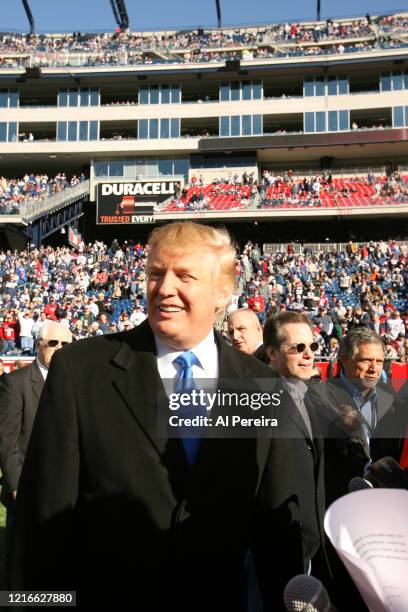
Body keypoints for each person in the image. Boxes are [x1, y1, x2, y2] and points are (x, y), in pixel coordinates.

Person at [9, 222, 303, 612]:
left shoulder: (259, 383)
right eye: (155, 274)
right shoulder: (81, 371)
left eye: (184, 276)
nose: (164, 288)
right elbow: (41, 522)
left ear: (222, 293)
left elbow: (275, 527)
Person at [261, 311, 330, 591]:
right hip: (276, 547)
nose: (308, 354)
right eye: (298, 348)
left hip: (311, 542)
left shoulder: (310, 396)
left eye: (312, 346)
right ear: (272, 353)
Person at [0, 321, 72, 538]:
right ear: (39, 345)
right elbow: (6, 437)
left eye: (65, 344)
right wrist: (15, 485)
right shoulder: (15, 382)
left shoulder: (74, 382)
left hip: (66, 485)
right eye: (53, 342)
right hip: (27, 486)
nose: (59, 348)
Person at [312, 326, 397, 506]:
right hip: (341, 502)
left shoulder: (388, 395)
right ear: (345, 360)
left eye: (379, 361)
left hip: (384, 503)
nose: (374, 369)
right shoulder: (319, 395)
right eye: (366, 360)